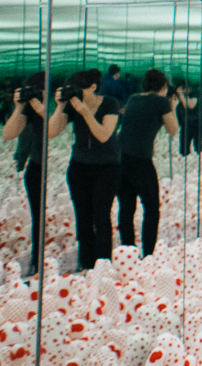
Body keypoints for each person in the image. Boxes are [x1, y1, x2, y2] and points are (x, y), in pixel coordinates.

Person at [47, 69, 122, 271]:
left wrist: (85, 111)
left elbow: (104, 135)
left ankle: (103, 266)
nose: (76, 93)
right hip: (79, 167)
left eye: (79, 88)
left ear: (92, 88)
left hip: (107, 167)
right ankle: (87, 266)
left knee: (101, 216)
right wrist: (60, 105)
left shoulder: (110, 104)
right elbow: (52, 132)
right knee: (83, 218)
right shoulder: (72, 106)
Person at [117, 69, 179, 256]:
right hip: (141, 161)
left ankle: (128, 254)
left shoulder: (134, 98)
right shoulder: (161, 102)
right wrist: (173, 106)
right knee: (151, 209)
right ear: (164, 86)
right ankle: (148, 254)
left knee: (126, 208)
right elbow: (173, 129)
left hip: (120, 158)